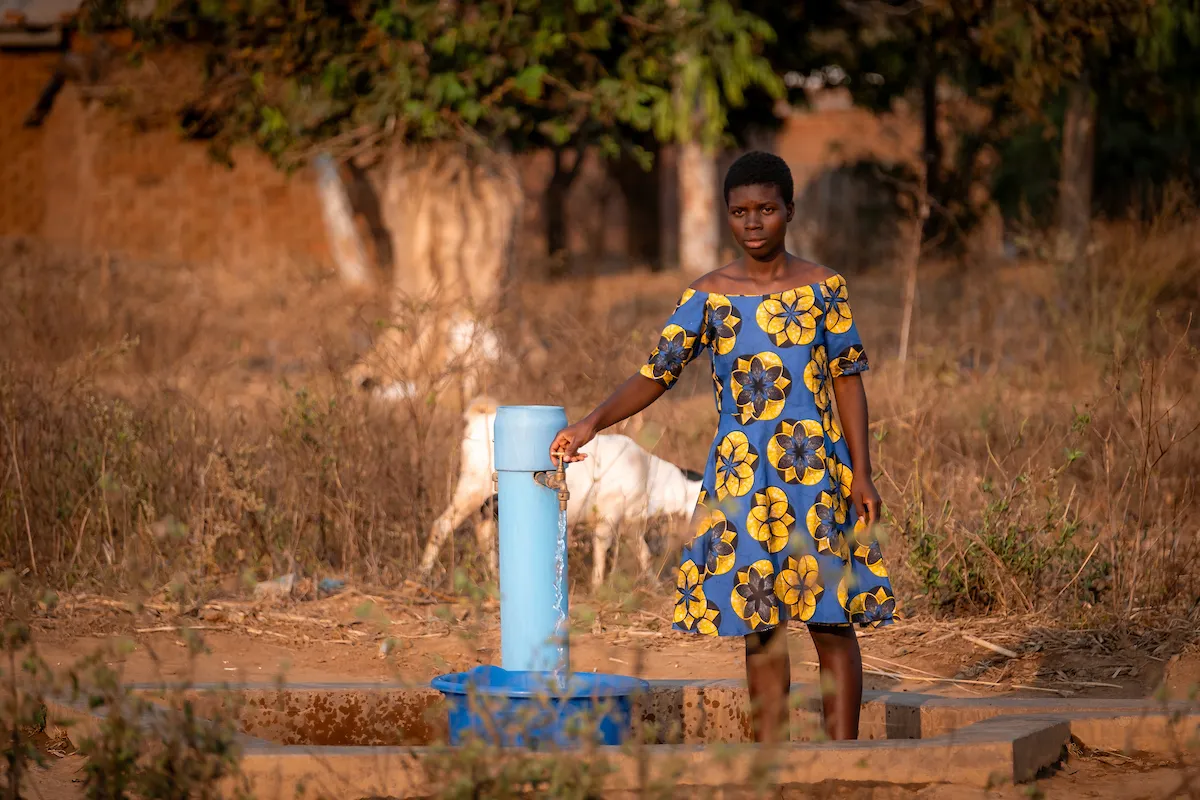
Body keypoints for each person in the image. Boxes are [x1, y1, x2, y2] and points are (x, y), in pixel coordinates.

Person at [549, 150, 898, 743]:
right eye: (740, 212)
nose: (754, 222)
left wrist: (862, 472)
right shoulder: (707, 298)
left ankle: (845, 758)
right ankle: (771, 761)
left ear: (790, 209)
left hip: (815, 475)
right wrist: (591, 423)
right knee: (759, 623)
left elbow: (847, 379)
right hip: (742, 480)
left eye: (766, 209)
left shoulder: (823, 289)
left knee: (830, 619)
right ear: (726, 217)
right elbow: (656, 373)